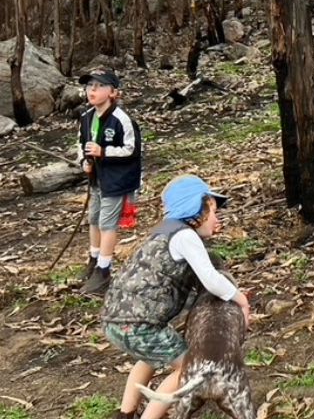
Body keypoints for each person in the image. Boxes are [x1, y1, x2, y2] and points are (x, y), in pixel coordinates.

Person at [101, 174, 251, 419]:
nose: (217, 218)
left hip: (114, 319)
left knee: (148, 358)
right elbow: (211, 279)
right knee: (185, 368)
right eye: (213, 211)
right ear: (197, 209)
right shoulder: (185, 236)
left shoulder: (164, 231)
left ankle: (125, 414)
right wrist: (241, 299)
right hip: (140, 325)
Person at [76, 66, 142, 295]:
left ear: (113, 92)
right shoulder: (86, 118)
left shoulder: (121, 119)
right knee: (93, 218)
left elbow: (131, 150)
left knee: (107, 223)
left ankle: (104, 271)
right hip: (97, 179)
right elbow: (81, 144)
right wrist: (83, 161)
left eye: (99, 86)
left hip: (117, 179)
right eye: (89, 86)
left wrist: (103, 152)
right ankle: (94, 260)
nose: (92, 90)